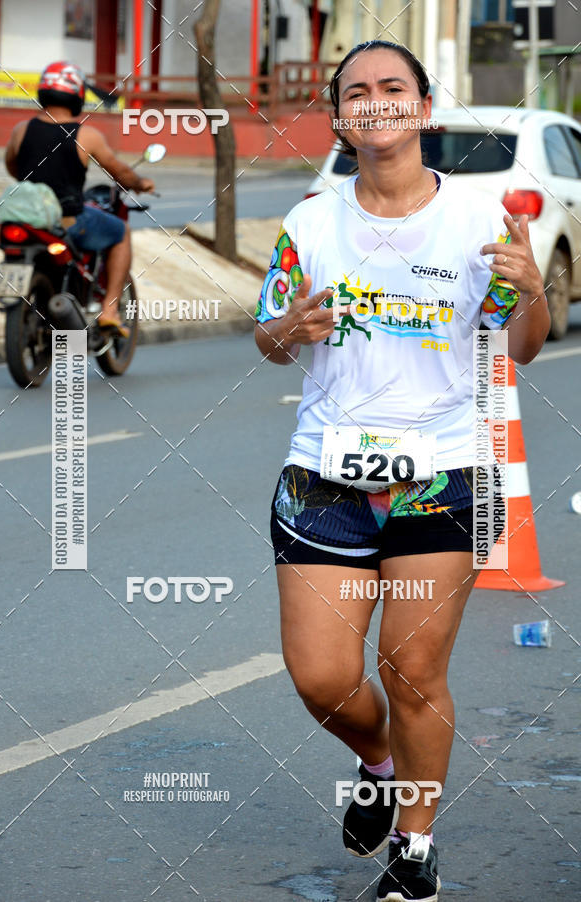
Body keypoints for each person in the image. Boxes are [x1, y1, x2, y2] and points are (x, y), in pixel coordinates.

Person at [254, 40, 549, 902]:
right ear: (339, 114)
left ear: (422, 108)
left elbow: (520, 348)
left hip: (440, 475)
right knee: (322, 680)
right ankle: (376, 764)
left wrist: (531, 287)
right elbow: (270, 340)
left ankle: (414, 849)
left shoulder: (483, 221)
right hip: (322, 481)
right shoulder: (309, 220)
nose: (375, 102)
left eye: (393, 88)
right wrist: (288, 331)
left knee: (412, 673)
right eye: (356, 92)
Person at [4, 60, 154, 336]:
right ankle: (109, 311)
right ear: (77, 95)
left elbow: (12, 167)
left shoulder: (21, 130)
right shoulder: (86, 135)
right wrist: (140, 183)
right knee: (121, 232)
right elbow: (119, 171)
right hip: (69, 220)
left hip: (25, 221)